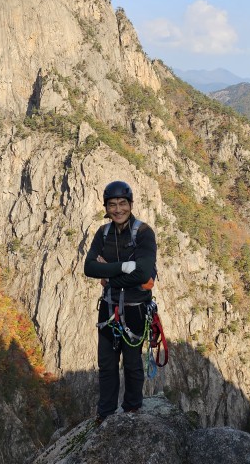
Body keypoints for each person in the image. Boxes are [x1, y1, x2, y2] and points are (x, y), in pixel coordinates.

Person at [84, 180, 157, 423]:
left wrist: (110, 276)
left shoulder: (144, 233)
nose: (118, 209)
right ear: (106, 207)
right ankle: (105, 414)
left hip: (135, 309)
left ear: (130, 204)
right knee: (106, 363)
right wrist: (125, 268)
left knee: (133, 364)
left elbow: (145, 273)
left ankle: (132, 410)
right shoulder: (102, 234)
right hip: (108, 307)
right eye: (112, 205)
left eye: (122, 204)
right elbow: (89, 267)